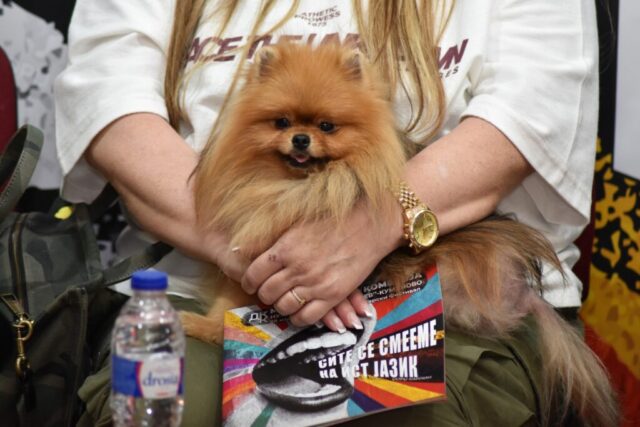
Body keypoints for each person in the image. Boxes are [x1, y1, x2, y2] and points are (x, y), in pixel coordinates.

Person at [54, 0, 599, 425]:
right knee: (169, 412)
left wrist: (372, 225)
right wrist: (256, 249)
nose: (301, 139)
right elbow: (108, 98)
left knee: (403, 413)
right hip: (197, 279)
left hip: (445, 290)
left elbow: (534, 108)